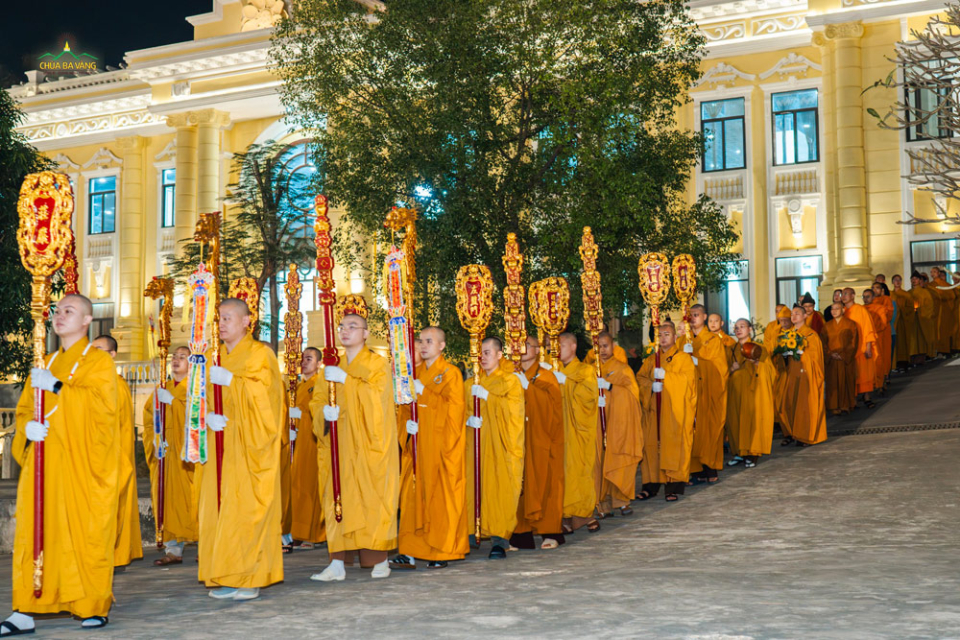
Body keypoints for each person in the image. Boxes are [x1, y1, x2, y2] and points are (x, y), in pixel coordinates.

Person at [4, 294, 119, 632]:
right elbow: (25, 411)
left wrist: (56, 388)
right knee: (36, 530)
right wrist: (28, 429)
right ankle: (26, 609)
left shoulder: (99, 363)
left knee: (85, 532)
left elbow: (103, 412)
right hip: (44, 462)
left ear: (87, 321)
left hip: (81, 464)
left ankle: (90, 605)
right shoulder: (46, 361)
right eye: (57, 310)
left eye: (69, 311)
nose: (59, 315)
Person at [200, 298, 285, 600]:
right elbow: (205, 396)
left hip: (250, 446)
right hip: (222, 444)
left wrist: (234, 382)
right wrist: (207, 417)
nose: (222, 324)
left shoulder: (262, 354)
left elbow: (269, 399)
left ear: (248, 321)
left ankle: (251, 577)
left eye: (229, 318)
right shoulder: (215, 357)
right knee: (223, 511)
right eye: (219, 318)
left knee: (247, 510)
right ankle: (227, 574)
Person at [310, 312, 399, 580]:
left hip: (369, 445)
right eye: (342, 326)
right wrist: (324, 413)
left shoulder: (376, 364)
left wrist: (347, 383)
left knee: (372, 498)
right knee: (338, 498)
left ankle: (380, 560)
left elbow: (377, 401)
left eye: (353, 326)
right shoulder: (330, 368)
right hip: (340, 445)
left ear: (365, 333)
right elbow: (316, 401)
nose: (345, 331)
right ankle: (337, 563)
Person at [391, 327, 467, 570]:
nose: (423, 346)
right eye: (421, 341)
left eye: (429, 341)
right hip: (418, 448)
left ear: (442, 346)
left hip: (441, 448)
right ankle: (411, 551)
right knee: (413, 497)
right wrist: (407, 425)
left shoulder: (451, 373)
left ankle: (442, 550)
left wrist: (426, 393)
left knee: (440, 499)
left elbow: (454, 412)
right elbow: (403, 409)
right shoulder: (416, 374)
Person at [462, 336, 524, 560]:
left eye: (488, 352)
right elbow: (458, 411)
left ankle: (500, 539)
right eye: (480, 352)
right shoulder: (470, 384)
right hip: (475, 447)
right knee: (473, 486)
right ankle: (470, 533)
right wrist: (467, 420)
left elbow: (514, 413)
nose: (483, 357)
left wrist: (489, 397)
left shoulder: (510, 381)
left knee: (499, 488)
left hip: (499, 447)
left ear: (499, 355)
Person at [91, 334, 143, 569]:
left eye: (99, 349)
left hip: (110, 458)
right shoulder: (92, 381)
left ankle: (106, 556)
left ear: (112, 355)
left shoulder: (116, 384)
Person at [143, 346, 198, 566]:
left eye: (182, 357)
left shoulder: (196, 388)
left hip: (186, 452)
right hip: (166, 450)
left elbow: (197, 417)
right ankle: (173, 550)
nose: (176, 360)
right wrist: (155, 441)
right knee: (166, 499)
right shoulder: (161, 388)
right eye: (174, 357)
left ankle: (206, 546)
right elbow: (149, 421)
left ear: (191, 364)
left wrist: (174, 403)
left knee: (192, 499)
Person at [512, 336, 565, 550]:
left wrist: (530, 390)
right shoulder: (512, 375)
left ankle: (550, 532)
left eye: (527, 345)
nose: (522, 349)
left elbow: (552, 409)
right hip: (520, 438)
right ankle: (520, 534)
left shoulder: (546, 376)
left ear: (537, 350)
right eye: (518, 345)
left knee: (546, 483)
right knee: (521, 483)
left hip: (543, 440)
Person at [635, 322, 697, 501]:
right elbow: (640, 378)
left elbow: (688, 383)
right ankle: (650, 485)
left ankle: (673, 486)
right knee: (651, 447)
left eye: (667, 334)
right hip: (654, 411)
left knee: (674, 447)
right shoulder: (651, 359)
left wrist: (667, 377)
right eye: (660, 335)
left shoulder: (683, 358)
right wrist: (651, 387)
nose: (662, 338)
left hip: (673, 413)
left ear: (675, 337)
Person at [594, 332, 644, 516]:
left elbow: (632, 396)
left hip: (618, 423)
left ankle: (622, 500)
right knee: (599, 462)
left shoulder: (623, 369)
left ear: (613, 347)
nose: (602, 350)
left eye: (605, 345)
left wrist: (611, 388)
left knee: (619, 459)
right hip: (598, 423)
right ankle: (601, 502)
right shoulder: (590, 369)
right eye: (598, 346)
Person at [679, 305, 728, 485]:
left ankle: (709, 467)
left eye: (697, 315)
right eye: (690, 315)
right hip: (688, 392)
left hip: (707, 391)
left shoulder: (713, 340)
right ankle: (693, 469)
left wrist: (697, 361)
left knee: (707, 429)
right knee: (690, 429)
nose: (693, 318)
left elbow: (720, 368)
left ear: (705, 317)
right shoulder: (684, 340)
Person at [556, 332, 600, 534]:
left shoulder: (585, 370)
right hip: (558, 430)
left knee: (580, 469)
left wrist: (566, 382)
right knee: (562, 471)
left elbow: (589, 396)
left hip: (578, 430)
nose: (557, 350)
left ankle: (585, 513)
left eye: (561, 345)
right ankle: (565, 514)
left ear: (573, 347)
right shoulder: (552, 370)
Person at [726, 319, 775, 468]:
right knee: (735, 421)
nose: (738, 330)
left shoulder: (759, 348)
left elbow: (771, 371)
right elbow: (721, 371)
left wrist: (758, 364)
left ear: (750, 329)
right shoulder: (730, 349)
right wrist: (731, 369)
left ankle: (752, 453)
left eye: (742, 327)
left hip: (753, 391)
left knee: (751, 421)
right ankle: (739, 453)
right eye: (736, 327)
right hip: (735, 390)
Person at [289, 347, 324, 548]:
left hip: (313, 440)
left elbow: (319, 413)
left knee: (312, 486)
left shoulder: (319, 384)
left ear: (319, 363)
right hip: (300, 440)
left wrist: (300, 416)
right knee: (299, 485)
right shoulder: (301, 385)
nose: (304, 362)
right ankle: (299, 531)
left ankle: (315, 534)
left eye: (309, 358)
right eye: (302, 358)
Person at [778, 305, 827, 447]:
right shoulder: (788, 334)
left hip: (807, 374)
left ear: (805, 316)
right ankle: (793, 433)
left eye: (797, 313)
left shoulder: (811, 335)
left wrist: (801, 353)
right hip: (792, 374)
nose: (793, 316)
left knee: (805, 405)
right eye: (792, 314)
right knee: (789, 403)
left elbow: (816, 357)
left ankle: (806, 435)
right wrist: (784, 354)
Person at [842, 287, 878, 409]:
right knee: (853, 374)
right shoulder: (843, 312)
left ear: (853, 296)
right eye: (842, 294)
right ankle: (853, 400)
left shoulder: (860, 309)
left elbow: (868, 327)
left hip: (862, 347)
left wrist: (868, 346)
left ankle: (867, 397)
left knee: (865, 373)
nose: (843, 296)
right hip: (849, 349)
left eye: (846, 293)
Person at [822, 302, 859, 416]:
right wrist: (829, 354)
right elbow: (823, 343)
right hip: (831, 359)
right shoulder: (826, 326)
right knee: (832, 383)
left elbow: (853, 342)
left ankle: (846, 405)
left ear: (843, 310)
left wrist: (844, 355)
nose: (834, 311)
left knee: (846, 381)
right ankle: (833, 406)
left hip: (845, 359)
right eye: (832, 309)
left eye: (837, 309)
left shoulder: (851, 324)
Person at [863, 288, 891, 394]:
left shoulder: (880, 308)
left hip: (878, 337)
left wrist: (872, 331)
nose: (865, 299)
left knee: (878, 361)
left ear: (873, 297)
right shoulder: (861, 309)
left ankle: (880, 383)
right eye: (864, 297)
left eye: (868, 296)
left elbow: (883, 323)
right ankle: (869, 385)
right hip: (866, 339)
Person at [910, 271, 938, 362]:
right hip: (913, 320)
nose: (914, 280)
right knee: (914, 338)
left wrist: (920, 311)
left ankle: (928, 354)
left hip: (923, 318)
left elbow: (930, 306)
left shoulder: (925, 292)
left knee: (925, 336)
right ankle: (914, 355)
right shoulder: (908, 293)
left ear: (919, 280)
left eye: (916, 279)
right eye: (912, 279)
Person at [890, 275, 916, 371]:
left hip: (902, 322)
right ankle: (893, 363)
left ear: (901, 282)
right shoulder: (890, 295)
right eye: (895, 280)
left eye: (899, 280)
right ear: (892, 282)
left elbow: (910, 308)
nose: (897, 282)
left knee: (902, 342)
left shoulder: (906, 295)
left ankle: (903, 362)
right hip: (893, 322)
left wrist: (901, 310)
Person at [930, 267, 957, 355]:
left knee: (944, 331)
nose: (933, 274)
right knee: (934, 331)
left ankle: (945, 350)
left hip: (945, 311)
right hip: (934, 312)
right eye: (931, 272)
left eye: (934, 272)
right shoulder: (929, 285)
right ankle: (935, 350)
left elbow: (952, 296)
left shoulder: (945, 285)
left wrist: (943, 299)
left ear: (938, 273)